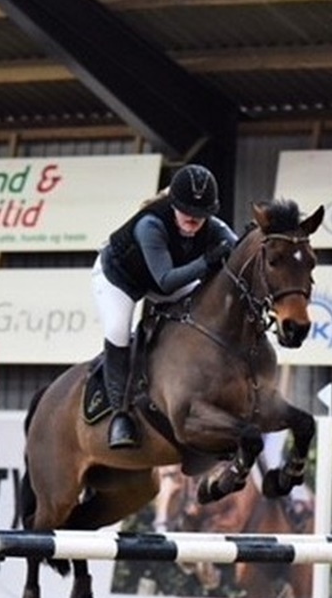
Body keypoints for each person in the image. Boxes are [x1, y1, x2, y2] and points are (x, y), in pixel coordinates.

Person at [92, 163, 238, 449]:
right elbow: (166, 281)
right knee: (118, 330)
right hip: (120, 278)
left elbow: (237, 247)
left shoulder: (214, 227)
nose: (193, 218)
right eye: (186, 210)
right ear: (173, 204)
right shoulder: (151, 225)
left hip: (163, 281)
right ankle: (120, 415)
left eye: (201, 213)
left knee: (201, 310)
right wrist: (207, 261)